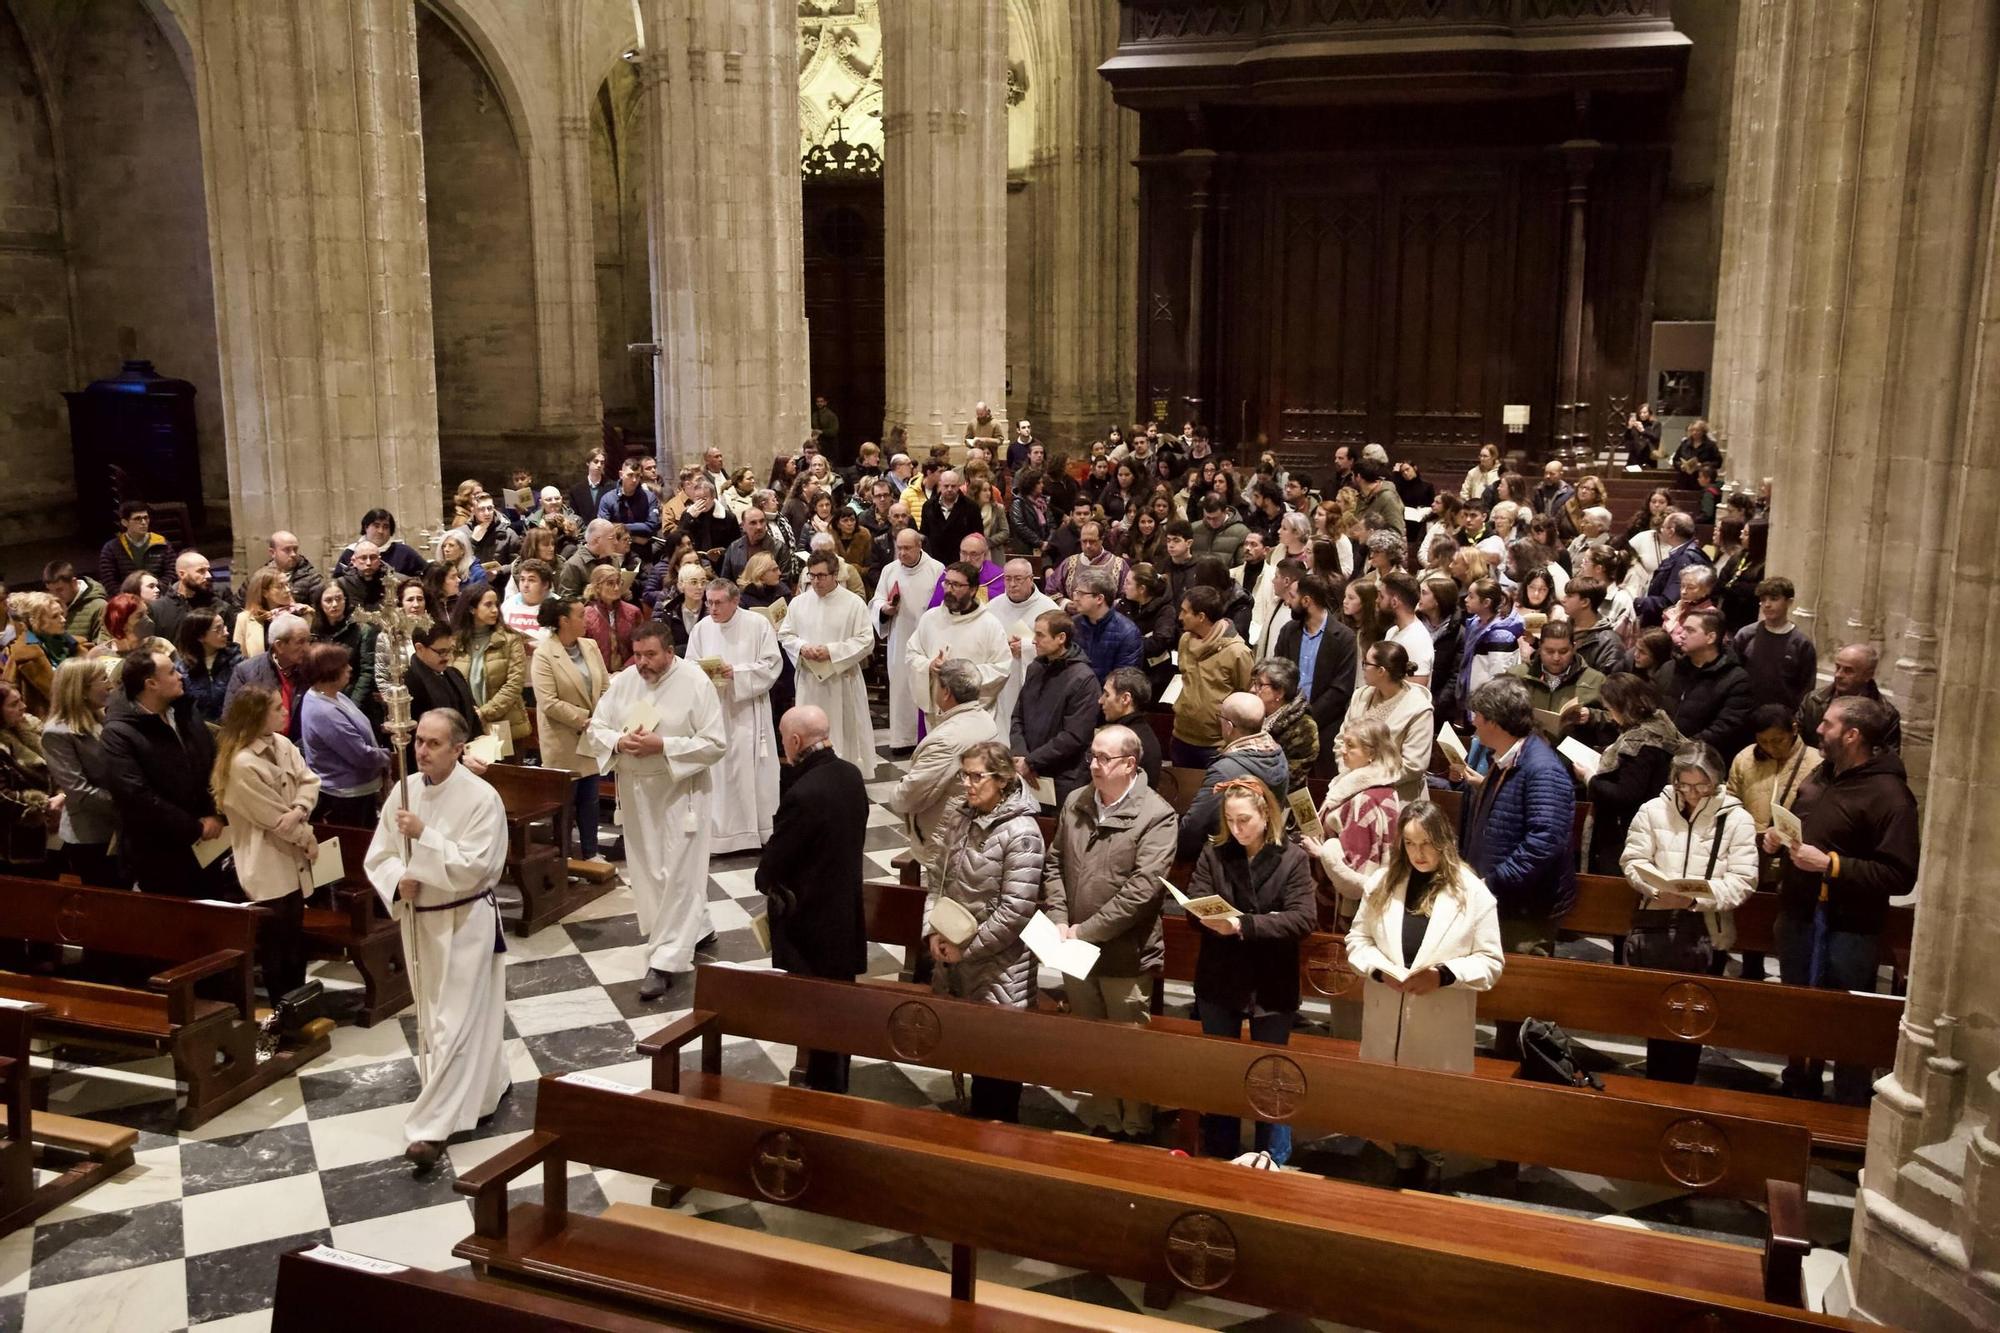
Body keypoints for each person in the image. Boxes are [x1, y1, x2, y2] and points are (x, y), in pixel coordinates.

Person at [364, 709, 510, 1172]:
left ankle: (431, 1128)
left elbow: (478, 868)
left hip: (465, 919)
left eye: (432, 743)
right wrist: (395, 880)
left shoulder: (481, 798)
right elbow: (381, 852)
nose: (421, 751)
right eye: (419, 741)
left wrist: (425, 838)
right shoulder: (404, 790)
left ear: (458, 748)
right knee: (435, 1015)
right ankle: (489, 1084)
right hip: (421, 921)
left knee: (455, 1021)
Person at [1768, 697, 1919, 1104]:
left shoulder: (1891, 795)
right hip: (1799, 915)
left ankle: (1849, 1102)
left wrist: (1831, 864)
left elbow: (1900, 875)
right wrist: (1778, 840)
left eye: (1828, 725)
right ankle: (1799, 1082)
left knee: (1848, 1024)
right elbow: (1809, 826)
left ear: (1852, 735)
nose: (1818, 729)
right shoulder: (1824, 772)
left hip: (1847, 929)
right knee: (1798, 1010)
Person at [1346, 800, 1504, 1185]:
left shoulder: (1472, 893)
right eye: (1411, 844)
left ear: (1445, 842)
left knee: (1433, 1106)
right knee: (1394, 1103)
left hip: (1439, 1020)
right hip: (1389, 1013)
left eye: (1427, 844)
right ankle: (1400, 1156)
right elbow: (1357, 940)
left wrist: (1446, 975)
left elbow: (1491, 962)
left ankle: (1433, 1164)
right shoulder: (1383, 884)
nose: (1419, 854)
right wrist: (1378, 970)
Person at [1041, 723, 1175, 1139]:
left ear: (1130, 765)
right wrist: (1061, 920)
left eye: (1104, 758)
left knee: (1127, 1045)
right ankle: (1103, 1119)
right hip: (1073, 946)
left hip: (1124, 954)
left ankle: (1135, 1126)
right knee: (1090, 1040)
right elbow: (1054, 864)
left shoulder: (1158, 816)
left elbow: (1142, 891)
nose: (1094, 765)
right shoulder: (1077, 802)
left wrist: (1086, 931)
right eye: (1092, 756)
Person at [582, 622, 727, 1001]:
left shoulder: (696, 682)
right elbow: (597, 727)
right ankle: (698, 927)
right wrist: (618, 740)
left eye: (650, 655)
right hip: (636, 791)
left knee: (679, 874)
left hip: (682, 793)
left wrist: (663, 745)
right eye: (638, 654)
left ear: (669, 652)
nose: (642, 663)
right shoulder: (627, 681)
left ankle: (665, 960)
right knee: (648, 872)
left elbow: (715, 743)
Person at [1185, 776, 1316, 1163]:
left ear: (1265, 814)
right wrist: (1206, 918)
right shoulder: (1216, 853)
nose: (1237, 829)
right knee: (1221, 1070)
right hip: (1221, 975)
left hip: (1270, 980)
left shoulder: (1291, 858)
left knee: (1271, 1075)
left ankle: (1272, 1154)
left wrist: (1245, 925)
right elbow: (1195, 901)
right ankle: (1220, 1149)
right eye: (1230, 820)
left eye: (1244, 820)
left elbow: (1303, 919)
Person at [1619, 744, 1758, 1082]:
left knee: (1691, 1024)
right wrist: (1654, 888)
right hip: (1656, 924)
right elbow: (1633, 859)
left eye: (1701, 787)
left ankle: (1681, 1088)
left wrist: (1695, 901)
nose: (1692, 794)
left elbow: (1743, 880)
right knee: (1656, 1020)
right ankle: (1656, 1086)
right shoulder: (1653, 810)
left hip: (1707, 931)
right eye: (1685, 785)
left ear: (1717, 782)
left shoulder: (1736, 819)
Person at [925, 740, 1044, 1123]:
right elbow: (936, 882)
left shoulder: (1023, 832)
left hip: (1000, 969)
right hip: (957, 962)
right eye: (965, 775)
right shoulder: (960, 817)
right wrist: (933, 932)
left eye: (977, 776)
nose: (968, 784)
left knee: (998, 1074)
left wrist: (967, 950)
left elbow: (1016, 910)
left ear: (1004, 780)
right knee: (971, 1057)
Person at [1453, 677, 1576, 1030]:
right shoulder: (1509, 757)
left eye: (1477, 716)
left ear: (1494, 720)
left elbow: (1545, 841)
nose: (1473, 722)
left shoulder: (1541, 768)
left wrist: (1494, 881)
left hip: (1524, 908)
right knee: (1503, 1002)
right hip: (1503, 900)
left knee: (1519, 1008)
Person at [756, 706, 868, 1092]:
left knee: (817, 1018)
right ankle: (834, 1083)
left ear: (794, 742)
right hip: (846, 915)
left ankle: (824, 1097)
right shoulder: (850, 775)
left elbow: (775, 860)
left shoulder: (804, 792)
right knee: (838, 1020)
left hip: (810, 926)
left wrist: (764, 876)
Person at [212, 685, 321, 1003]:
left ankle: (300, 1004)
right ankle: (282, 1008)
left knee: (296, 941)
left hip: (293, 859)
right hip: (267, 862)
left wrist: (300, 809)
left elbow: (309, 780)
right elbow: (272, 819)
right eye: (276, 708)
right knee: (277, 946)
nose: (285, 711)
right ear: (257, 715)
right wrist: (307, 836)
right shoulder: (243, 764)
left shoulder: (284, 744)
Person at [100, 648, 222, 895]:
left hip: (208, 842)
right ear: (151, 684)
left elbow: (213, 762)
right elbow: (136, 796)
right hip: (158, 851)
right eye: (172, 671)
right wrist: (194, 827)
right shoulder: (119, 732)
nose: (180, 676)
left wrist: (215, 813)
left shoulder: (184, 711)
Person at [686, 578, 782, 854]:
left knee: (747, 772)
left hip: (747, 711)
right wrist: (705, 673)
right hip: (714, 709)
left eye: (718, 603)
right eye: (709, 602)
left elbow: (771, 665)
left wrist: (735, 673)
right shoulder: (702, 628)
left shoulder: (757, 625)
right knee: (719, 773)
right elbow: (690, 664)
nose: (712, 609)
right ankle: (719, 836)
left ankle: (755, 833)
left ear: (735, 601)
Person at [1726, 705, 1817, 983]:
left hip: (1794, 857)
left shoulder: (1816, 762)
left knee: (1786, 925)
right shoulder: (1746, 758)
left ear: (1794, 730)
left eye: (1777, 740)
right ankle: (1752, 969)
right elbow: (1731, 798)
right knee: (1753, 919)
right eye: (1763, 742)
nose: (1770, 748)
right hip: (1753, 852)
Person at [888, 660, 998, 889]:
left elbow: (910, 796)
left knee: (944, 907)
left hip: (946, 840)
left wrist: (897, 790)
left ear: (946, 692)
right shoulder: (985, 720)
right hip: (971, 832)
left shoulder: (946, 739)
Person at [1571, 673, 1685, 876]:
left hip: (1628, 832)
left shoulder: (1641, 743)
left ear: (1622, 707)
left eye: (1610, 709)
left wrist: (1590, 778)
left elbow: (1625, 794)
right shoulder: (1659, 727)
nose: (1610, 714)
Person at [529, 597, 610, 860]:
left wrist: (603, 715)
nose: (586, 620)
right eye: (580, 615)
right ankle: (563, 859)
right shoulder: (544, 653)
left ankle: (590, 853)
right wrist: (583, 719)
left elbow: (605, 685)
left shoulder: (590, 646)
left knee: (590, 800)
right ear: (564, 621)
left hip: (591, 735)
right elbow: (548, 701)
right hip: (564, 739)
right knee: (566, 804)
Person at [778, 551, 875, 772]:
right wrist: (803, 647)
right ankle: (811, 773)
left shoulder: (853, 603)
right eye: (812, 576)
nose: (816, 581)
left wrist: (830, 651)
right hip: (810, 680)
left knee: (844, 731)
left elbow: (866, 641)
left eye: (821, 576)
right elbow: (786, 634)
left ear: (835, 575)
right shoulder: (799, 603)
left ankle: (846, 775)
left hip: (842, 680)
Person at [1301, 716, 1403, 924]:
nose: (1342, 750)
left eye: (1351, 746)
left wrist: (1322, 853)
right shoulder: (1378, 786)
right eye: (1344, 743)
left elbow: (1357, 875)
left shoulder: (1365, 799)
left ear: (1371, 753)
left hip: (1346, 905)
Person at [1178, 693, 1292, 861]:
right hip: (1263, 849)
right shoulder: (1278, 753)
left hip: (1227, 856)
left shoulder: (1224, 771)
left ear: (1229, 726)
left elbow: (1195, 826)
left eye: (1220, 718)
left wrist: (1178, 854)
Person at [1011, 610, 1101, 809]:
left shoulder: (1083, 679)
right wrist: (1020, 756)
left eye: (1040, 635)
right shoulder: (1035, 667)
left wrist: (1031, 762)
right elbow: (1018, 716)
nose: (1034, 641)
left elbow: (1075, 736)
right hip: (1028, 770)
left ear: (1061, 638)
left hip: (1063, 778)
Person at [906, 562, 1011, 727]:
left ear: (973, 589)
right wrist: (929, 666)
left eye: (956, 585)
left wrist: (962, 674)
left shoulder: (990, 624)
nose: (948, 589)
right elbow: (912, 654)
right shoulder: (930, 618)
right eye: (947, 583)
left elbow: (1002, 668)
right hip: (937, 714)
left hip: (973, 719)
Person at [39, 659, 116, 884]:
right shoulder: (56, 733)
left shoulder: (102, 718)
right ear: (80, 689)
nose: (110, 685)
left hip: (117, 829)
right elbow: (79, 792)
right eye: (103, 679)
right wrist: (128, 805)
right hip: (92, 836)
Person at [299, 642, 389, 826]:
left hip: (359, 789)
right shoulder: (324, 711)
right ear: (328, 672)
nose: (349, 669)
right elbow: (360, 755)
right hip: (346, 797)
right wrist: (388, 757)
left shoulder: (334, 695)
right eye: (343, 666)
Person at [870, 528, 943, 751]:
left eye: (907, 548)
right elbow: (876, 600)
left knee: (926, 685)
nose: (902, 553)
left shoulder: (936, 569)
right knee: (901, 685)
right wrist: (885, 609)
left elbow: (942, 604)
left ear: (919, 546)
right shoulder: (889, 570)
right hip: (900, 636)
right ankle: (902, 739)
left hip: (928, 638)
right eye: (899, 548)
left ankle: (927, 737)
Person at [1273, 575, 1357, 766]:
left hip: (1325, 727)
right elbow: (1277, 672)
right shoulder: (1288, 631)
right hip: (1286, 725)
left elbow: (1341, 689)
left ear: (1306, 601)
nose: (1288, 602)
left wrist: (1307, 719)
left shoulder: (1344, 637)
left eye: (1293, 597)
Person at [1337, 641, 1433, 803]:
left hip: (1397, 800)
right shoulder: (1360, 696)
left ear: (1381, 671)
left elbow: (1413, 765)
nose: (1363, 668)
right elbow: (1341, 741)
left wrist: (1364, 779)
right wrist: (1348, 775)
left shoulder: (1419, 709)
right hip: (1352, 794)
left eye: (1366, 663)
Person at [1171, 585, 1256, 769]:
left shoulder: (1237, 652)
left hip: (1215, 746)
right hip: (1181, 736)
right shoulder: (1185, 640)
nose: (1179, 617)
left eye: (1185, 612)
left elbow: (1247, 696)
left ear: (1201, 617)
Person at [449, 586, 530, 754]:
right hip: (469, 725)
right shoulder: (455, 642)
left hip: (504, 723)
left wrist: (484, 713)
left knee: (504, 777)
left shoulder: (510, 640)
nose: (494, 610)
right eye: (488, 605)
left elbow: (514, 684)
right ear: (472, 609)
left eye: (496, 604)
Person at [984, 558, 1057, 741]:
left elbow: (1059, 648)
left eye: (1018, 579)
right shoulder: (993, 606)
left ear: (1031, 579)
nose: (1012, 584)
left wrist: (1026, 648)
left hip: (1034, 681)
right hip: (1001, 683)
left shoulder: (1049, 609)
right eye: (1007, 579)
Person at [1797, 642, 1903, 751]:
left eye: (1848, 671)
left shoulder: (1886, 715)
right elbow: (1796, 744)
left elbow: (1887, 761)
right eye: (1837, 667)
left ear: (1868, 675)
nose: (1838, 675)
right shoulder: (1813, 701)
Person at [1732, 576, 1815, 712]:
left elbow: (1806, 688)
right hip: (1746, 711)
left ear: (1789, 602)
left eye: (1774, 599)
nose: (1767, 605)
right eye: (1763, 600)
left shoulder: (1801, 644)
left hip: (1781, 716)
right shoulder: (1746, 635)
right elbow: (1733, 674)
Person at [0, 683, 57, 878]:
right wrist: (44, 806)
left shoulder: (27, 734)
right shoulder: (3, 748)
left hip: (38, 837)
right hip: (11, 845)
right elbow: (1, 797)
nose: (23, 706)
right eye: (14, 704)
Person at [1250, 657, 1318, 792]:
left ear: (1280, 692)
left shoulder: (1304, 727)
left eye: (1260, 685)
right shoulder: (1253, 714)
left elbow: (1289, 777)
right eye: (1253, 683)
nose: (1252, 689)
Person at [1636, 513, 1711, 626]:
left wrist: (1637, 603)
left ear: (1671, 531)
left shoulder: (1685, 558)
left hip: (1667, 624)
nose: (1661, 530)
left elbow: (1670, 601)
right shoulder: (1688, 553)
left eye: (1663, 527)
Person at [1097, 666, 1162, 787]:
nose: (1100, 700)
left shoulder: (1124, 739)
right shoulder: (1142, 731)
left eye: (1106, 694)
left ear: (1125, 699)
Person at [97, 501, 175, 592]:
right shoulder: (111, 548)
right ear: (125, 522)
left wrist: (153, 591)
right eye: (137, 519)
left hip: (158, 596)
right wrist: (130, 597)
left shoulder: (162, 544)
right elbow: (109, 581)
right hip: (127, 600)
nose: (143, 522)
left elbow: (171, 573)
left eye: (146, 518)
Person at [43, 561, 106, 645]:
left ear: (74, 583)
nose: (55, 596)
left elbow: (103, 646)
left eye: (60, 590)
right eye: (51, 590)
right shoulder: (49, 607)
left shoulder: (99, 606)